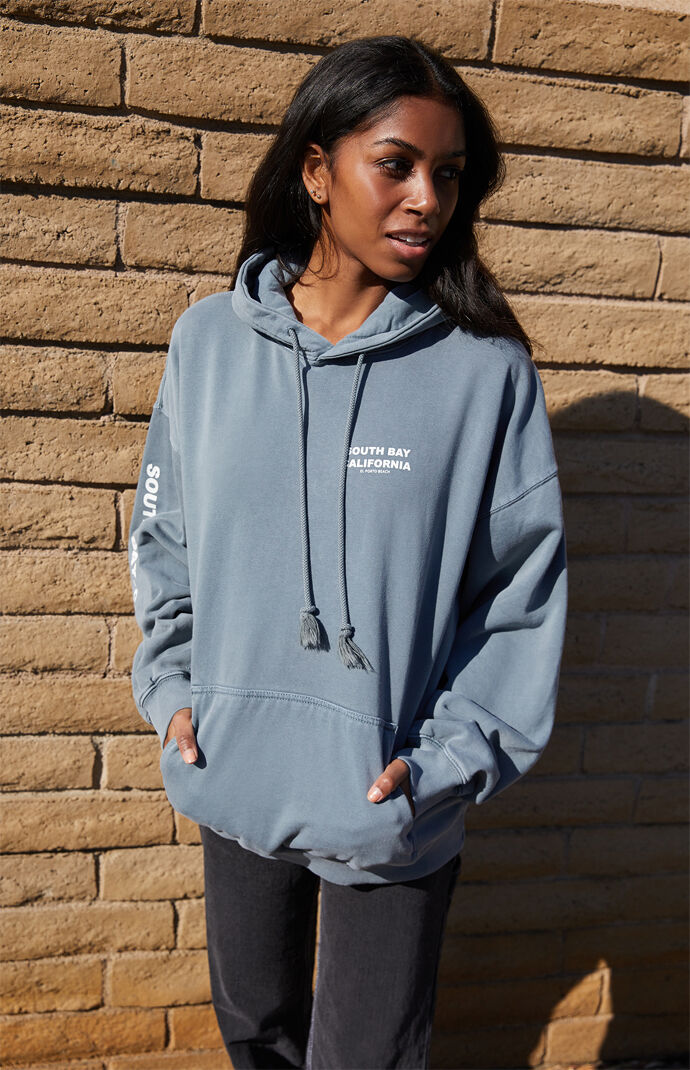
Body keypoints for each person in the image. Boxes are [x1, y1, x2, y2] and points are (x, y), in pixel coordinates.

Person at [127, 33, 568, 1070]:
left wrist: (442, 764)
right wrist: (176, 691)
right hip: (231, 771)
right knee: (257, 1034)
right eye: (397, 165)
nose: (427, 200)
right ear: (317, 171)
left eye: (449, 175)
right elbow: (165, 534)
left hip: (390, 802)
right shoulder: (208, 342)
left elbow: (519, 595)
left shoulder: (485, 374)